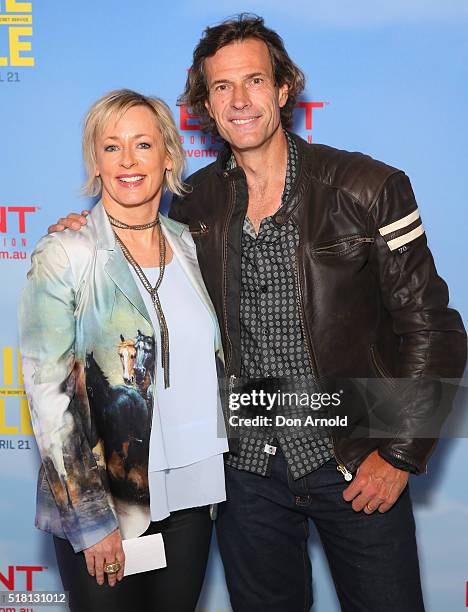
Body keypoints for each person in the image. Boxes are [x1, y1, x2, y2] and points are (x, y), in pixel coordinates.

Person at [49, 14, 467, 612]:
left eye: (253, 81)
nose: (239, 100)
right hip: (247, 478)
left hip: (353, 461)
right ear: (205, 104)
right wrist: (82, 235)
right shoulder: (196, 203)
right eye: (222, 87)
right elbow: (132, 239)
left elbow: (434, 329)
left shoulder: (367, 187)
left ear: (282, 89)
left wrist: (400, 452)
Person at [19, 89, 228, 612]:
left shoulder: (190, 247)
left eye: (142, 145)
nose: (128, 161)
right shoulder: (66, 254)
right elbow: (49, 399)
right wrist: (91, 520)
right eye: (112, 147)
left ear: (169, 157)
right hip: (109, 500)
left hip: (190, 495)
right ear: (96, 161)